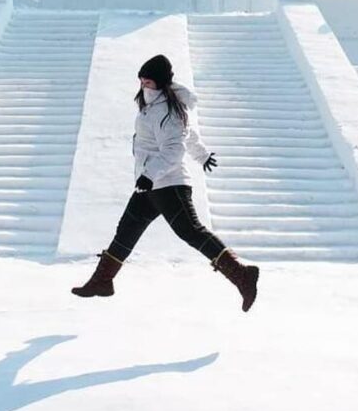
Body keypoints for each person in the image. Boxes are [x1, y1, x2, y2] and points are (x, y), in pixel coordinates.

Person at [71, 53, 259, 312]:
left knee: (191, 231)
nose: (143, 86)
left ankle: (242, 274)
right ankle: (102, 281)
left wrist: (150, 175)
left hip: (168, 184)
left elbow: (174, 148)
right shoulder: (155, 106)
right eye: (141, 81)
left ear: (160, 82)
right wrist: (202, 155)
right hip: (150, 184)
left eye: (148, 82)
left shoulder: (167, 111)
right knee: (126, 231)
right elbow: (188, 135)